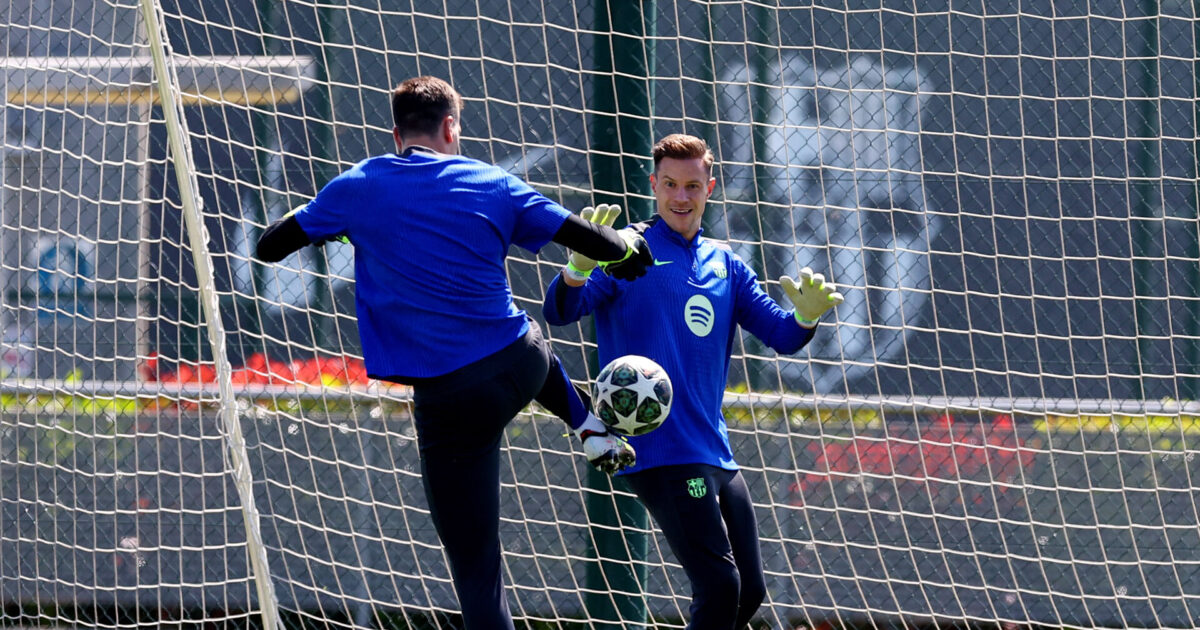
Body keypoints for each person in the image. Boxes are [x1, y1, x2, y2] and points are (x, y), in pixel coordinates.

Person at [255, 75, 649, 630]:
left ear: (396, 133)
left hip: (450, 400)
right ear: (450, 127)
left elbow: (270, 246)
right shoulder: (494, 182)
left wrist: (338, 228)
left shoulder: (356, 186)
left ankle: (589, 428)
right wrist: (631, 249)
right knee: (527, 333)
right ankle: (589, 426)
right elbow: (594, 241)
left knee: (478, 572)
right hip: (521, 364)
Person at [542, 133, 843, 629]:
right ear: (654, 186)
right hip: (660, 452)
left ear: (710, 187)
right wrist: (577, 270)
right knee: (720, 586)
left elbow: (781, 336)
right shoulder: (625, 251)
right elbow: (560, 311)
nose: (681, 197)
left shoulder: (727, 264)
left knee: (747, 593)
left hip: (713, 450)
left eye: (692, 186)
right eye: (670, 185)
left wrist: (806, 317)